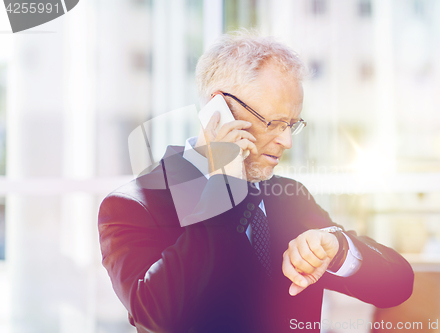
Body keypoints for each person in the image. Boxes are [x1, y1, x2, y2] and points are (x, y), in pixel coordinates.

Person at [98, 31, 414, 333]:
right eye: (274, 123)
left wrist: (339, 250)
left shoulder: (289, 196)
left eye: (292, 124)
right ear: (218, 109)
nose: (287, 141)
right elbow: (160, 317)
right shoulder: (135, 205)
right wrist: (223, 187)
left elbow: (398, 285)